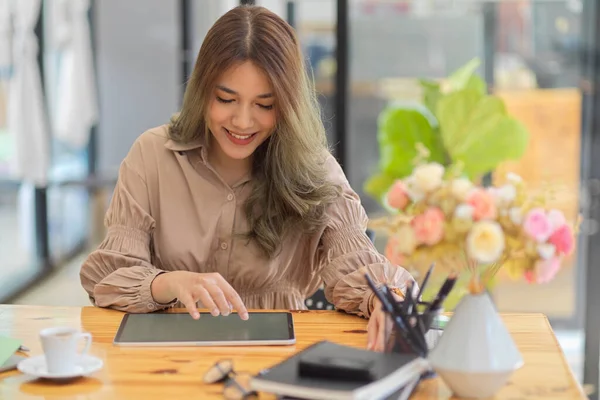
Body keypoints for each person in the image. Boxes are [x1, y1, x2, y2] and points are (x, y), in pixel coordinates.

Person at [80, 5, 415, 352]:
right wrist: (170, 283)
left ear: (288, 105)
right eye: (226, 99)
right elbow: (107, 278)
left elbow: (355, 264)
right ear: (202, 90)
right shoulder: (151, 156)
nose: (242, 121)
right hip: (165, 353)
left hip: (275, 354)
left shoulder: (314, 169)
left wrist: (386, 300)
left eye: (264, 105)